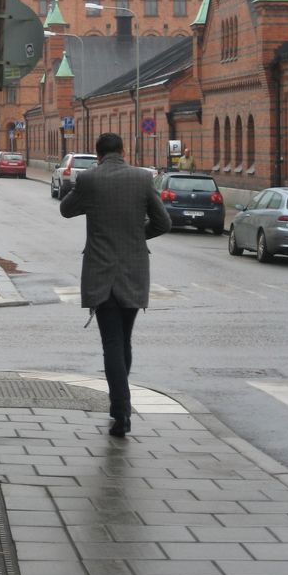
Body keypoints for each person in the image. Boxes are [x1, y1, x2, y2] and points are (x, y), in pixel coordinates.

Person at [60, 132, 171, 437]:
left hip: (101, 273)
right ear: (123, 150)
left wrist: (83, 192)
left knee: (111, 343)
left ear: (98, 155)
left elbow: (66, 210)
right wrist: (136, 235)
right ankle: (120, 407)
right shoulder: (142, 179)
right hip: (134, 271)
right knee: (125, 341)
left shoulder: (90, 180)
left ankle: (120, 410)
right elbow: (164, 223)